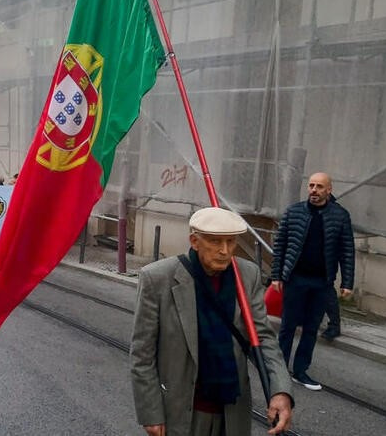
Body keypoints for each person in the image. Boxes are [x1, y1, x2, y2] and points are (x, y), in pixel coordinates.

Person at [131, 207, 293, 436]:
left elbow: (263, 337)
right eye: (215, 242)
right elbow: (142, 354)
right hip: (180, 410)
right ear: (194, 241)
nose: (225, 251)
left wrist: (281, 390)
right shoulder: (157, 278)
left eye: (231, 242)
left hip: (231, 410)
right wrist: (150, 412)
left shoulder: (246, 275)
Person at [271, 172, 354, 391]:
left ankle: (300, 371)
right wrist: (276, 276)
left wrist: (347, 282)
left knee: (310, 328)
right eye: (311, 185)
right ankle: (279, 369)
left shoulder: (340, 216)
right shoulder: (294, 212)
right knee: (288, 326)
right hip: (295, 279)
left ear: (329, 189)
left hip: (322, 282)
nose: (314, 190)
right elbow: (280, 246)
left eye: (319, 186)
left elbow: (347, 251)